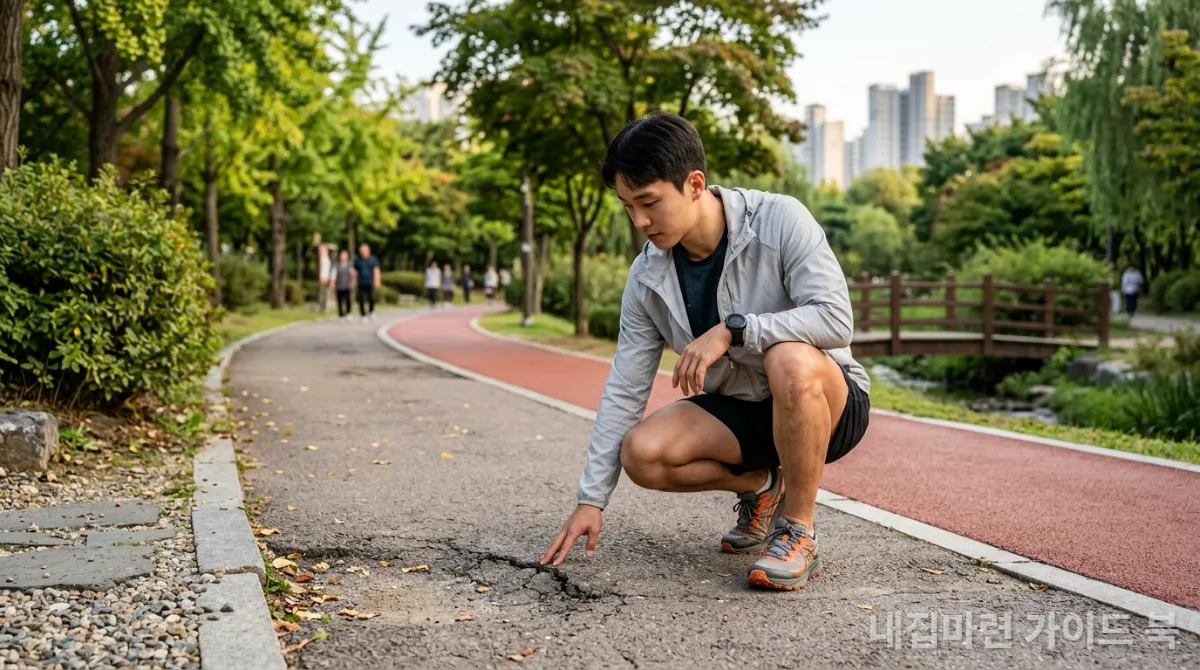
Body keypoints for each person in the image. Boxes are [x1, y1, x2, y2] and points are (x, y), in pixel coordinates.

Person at [539, 112, 871, 592]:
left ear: (695, 183)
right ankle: (760, 485)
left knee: (788, 357)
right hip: (741, 411)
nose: (639, 221)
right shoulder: (647, 277)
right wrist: (591, 500)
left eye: (649, 202)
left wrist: (734, 331)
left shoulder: (779, 220)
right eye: (627, 206)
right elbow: (626, 387)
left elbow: (837, 320)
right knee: (643, 454)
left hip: (828, 403)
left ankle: (797, 530)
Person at [353, 243, 381, 322]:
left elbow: (376, 270)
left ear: (368, 250)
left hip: (370, 281)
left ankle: (371, 311)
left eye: (364, 250)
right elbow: (355, 272)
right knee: (361, 299)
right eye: (361, 250)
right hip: (361, 282)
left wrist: (377, 280)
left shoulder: (373, 259)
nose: (363, 251)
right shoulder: (358, 260)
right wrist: (354, 281)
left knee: (371, 298)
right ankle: (363, 315)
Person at [329, 250, 354, 320]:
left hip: (347, 285)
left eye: (345, 255)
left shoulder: (350, 265)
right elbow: (333, 275)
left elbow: (353, 274)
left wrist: (352, 282)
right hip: (339, 285)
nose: (343, 257)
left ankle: (348, 313)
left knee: (348, 300)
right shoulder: (336, 265)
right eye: (342, 255)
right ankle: (341, 314)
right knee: (340, 300)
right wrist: (332, 283)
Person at [316, 244, 332, 313]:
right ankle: (322, 308)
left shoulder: (325, 258)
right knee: (322, 293)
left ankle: (324, 307)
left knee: (324, 293)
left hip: (325, 277)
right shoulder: (322, 258)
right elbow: (321, 269)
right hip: (323, 277)